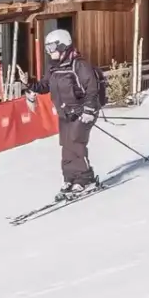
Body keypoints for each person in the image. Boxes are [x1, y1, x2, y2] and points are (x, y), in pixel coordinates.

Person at [40, 27, 103, 197]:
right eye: (47, 47)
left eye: (52, 47)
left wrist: (89, 110)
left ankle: (85, 179)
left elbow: (92, 89)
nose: (49, 51)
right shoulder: (53, 67)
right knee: (66, 144)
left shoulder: (79, 65)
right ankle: (70, 178)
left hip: (83, 111)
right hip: (65, 112)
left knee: (76, 141)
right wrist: (30, 85)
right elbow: (45, 85)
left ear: (63, 45)